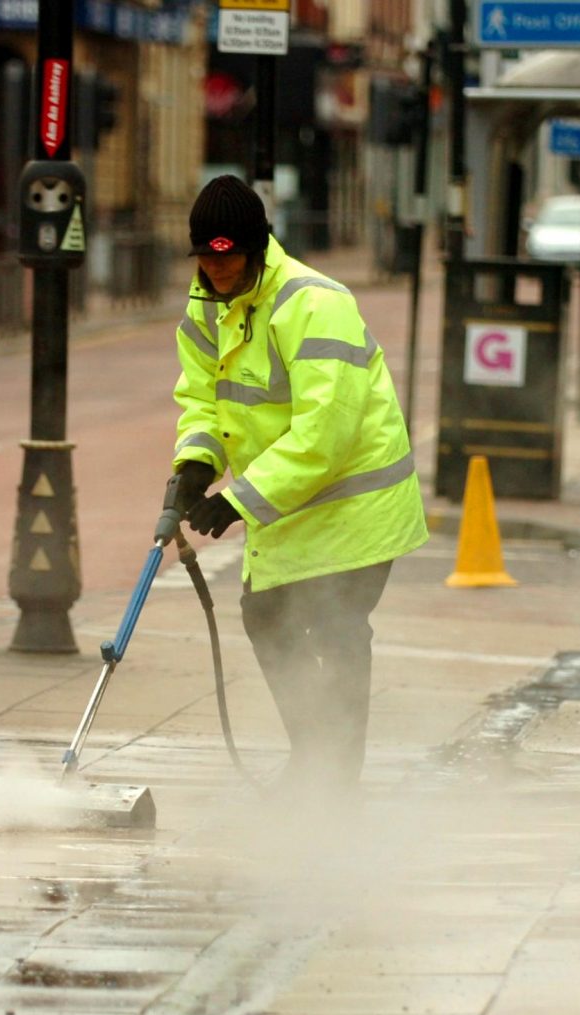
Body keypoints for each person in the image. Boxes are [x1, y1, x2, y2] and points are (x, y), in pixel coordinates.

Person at [166, 175, 428, 798]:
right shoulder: (206, 307)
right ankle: (314, 755)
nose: (218, 270)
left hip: (356, 510)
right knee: (268, 615)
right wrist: (197, 464)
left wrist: (237, 501)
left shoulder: (315, 303)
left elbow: (325, 433)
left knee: (336, 633)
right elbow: (202, 399)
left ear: (258, 249)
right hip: (290, 510)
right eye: (207, 257)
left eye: (229, 258)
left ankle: (333, 778)